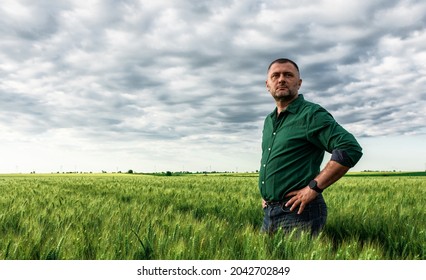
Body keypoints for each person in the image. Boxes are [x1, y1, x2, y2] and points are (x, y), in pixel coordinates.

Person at [259, 58, 363, 235]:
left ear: (299, 83)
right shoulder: (269, 121)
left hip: (298, 212)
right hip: (269, 212)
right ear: (267, 84)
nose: (281, 79)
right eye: (275, 75)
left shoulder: (311, 114)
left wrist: (313, 188)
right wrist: (268, 193)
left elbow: (349, 147)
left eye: (288, 75)